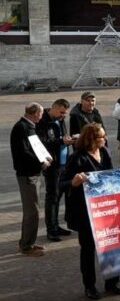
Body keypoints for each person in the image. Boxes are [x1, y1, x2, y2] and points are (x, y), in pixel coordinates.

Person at [61, 123, 120, 299]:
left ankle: (112, 283)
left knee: (111, 246)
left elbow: (110, 176)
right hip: (86, 213)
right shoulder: (77, 158)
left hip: (107, 210)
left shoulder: (104, 152)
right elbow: (62, 183)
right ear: (91, 139)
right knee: (88, 250)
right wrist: (74, 182)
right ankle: (89, 286)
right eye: (102, 136)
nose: (105, 138)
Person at [11, 103, 50, 257]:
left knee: (33, 210)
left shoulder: (28, 126)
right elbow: (24, 152)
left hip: (32, 172)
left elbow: (36, 147)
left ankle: (28, 242)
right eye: (41, 114)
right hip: (27, 174)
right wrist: (41, 162)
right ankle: (26, 246)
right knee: (31, 212)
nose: (42, 116)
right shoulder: (22, 127)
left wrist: (44, 156)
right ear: (34, 113)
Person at [36, 99, 73, 242]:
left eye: (65, 113)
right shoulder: (43, 121)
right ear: (54, 108)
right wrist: (61, 141)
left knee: (58, 196)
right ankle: (51, 230)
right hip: (52, 165)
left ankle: (56, 225)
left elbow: (60, 137)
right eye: (61, 112)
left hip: (63, 163)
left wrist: (68, 139)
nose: (63, 115)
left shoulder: (60, 119)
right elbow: (41, 142)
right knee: (52, 196)